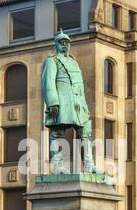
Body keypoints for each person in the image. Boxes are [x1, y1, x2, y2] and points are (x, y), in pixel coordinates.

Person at [42, 29, 100, 175]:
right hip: (62, 102)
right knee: (57, 132)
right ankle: (57, 166)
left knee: (85, 132)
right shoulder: (52, 60)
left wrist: (84, 104)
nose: (65, 45)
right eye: (62, 42)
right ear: (56, 44)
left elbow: (79, 85)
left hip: (78, 104)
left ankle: (88, 165)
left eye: (67, 43)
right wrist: (52, 102)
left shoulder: (73, 62)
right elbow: (48, 83)